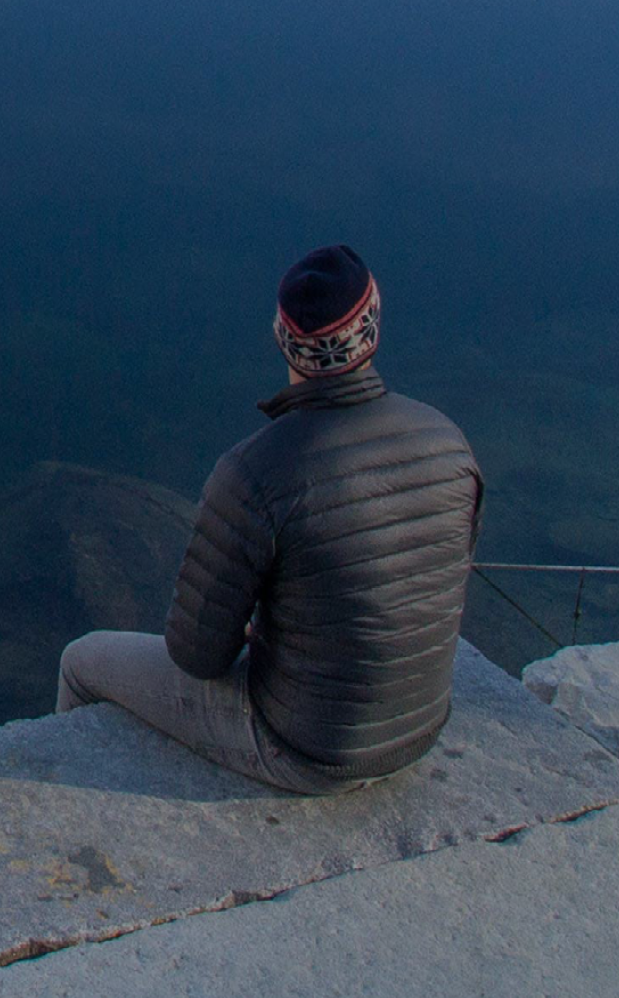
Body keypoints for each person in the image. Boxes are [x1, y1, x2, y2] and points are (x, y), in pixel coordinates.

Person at [54, 247, 482, 794]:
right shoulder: (449, 442)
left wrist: (263, 632)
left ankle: (69, 813)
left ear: (283, 338)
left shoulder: (254, 471)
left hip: (306, 750)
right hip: (419, 730)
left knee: (80, 661)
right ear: (373, 326)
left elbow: (196, 657)